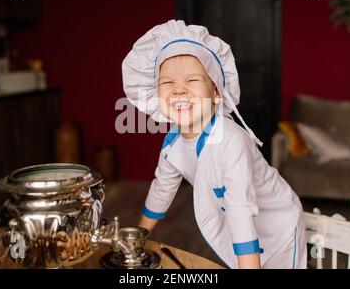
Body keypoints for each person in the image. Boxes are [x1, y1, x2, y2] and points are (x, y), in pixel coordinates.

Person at [121, 20, 307, 269]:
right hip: (240, 229)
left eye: (192, 80)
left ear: (217, 92)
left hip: (277, 224)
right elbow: (162, 188)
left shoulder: (231, 141)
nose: (178, 90)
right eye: (167, 83)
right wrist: (139, 237)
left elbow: (240, 208)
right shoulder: (173, 143)